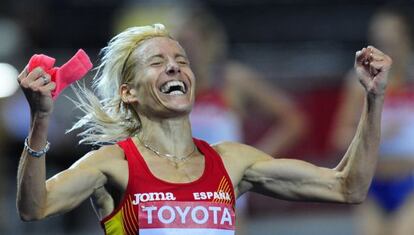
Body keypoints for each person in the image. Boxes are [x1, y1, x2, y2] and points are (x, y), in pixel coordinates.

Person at [16, 24, 391, 235]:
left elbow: (348, 186)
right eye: (158, 62)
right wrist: (40, 120)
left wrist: (373, 100)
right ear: (128, 92)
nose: (176, 68)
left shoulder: (231, 161)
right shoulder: (113, 164)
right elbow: (35, 207)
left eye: (182, 61)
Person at [331, 9, 414, 235]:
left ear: (406, 39)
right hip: (373, 184)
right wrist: (375, 132)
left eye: (392, 42)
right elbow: (339, 138)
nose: (386, 49)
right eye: (380, 43)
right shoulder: (358, 81)